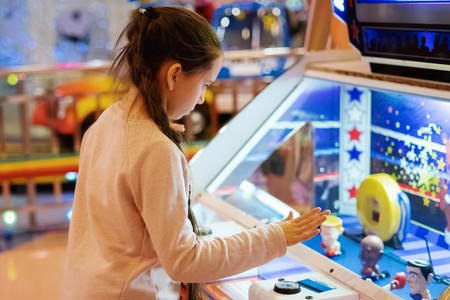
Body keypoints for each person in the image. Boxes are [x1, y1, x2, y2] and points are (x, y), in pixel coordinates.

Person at [60, 7, 330, 300]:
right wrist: (277, 237)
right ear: (175, 75)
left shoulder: (105, 121)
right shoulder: (156, 149)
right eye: (204, 84)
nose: (202, 97)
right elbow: (185, 261)